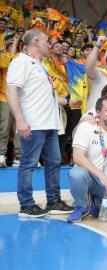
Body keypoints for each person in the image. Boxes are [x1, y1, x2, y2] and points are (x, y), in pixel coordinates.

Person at [6, 29, 73, 217]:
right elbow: (12, 92)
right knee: (28, 163)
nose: (49, 45)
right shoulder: (21, 61)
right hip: (33, 124)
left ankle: (53, 201)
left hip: (50, 124)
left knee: (54, 162)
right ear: (36, 42)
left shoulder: (41, 65)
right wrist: (20, 119)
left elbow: (44, 94)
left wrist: (65, 101)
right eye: (46, 42)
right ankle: (26, 205)